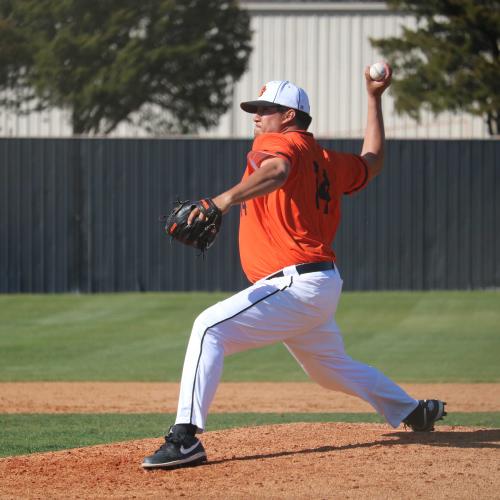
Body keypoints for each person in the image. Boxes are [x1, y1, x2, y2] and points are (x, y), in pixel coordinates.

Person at [142, 67, 446, 470]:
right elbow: (372, 162)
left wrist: (222, 201)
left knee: (208, 328)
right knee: (328, 369)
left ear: (289, 116)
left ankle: (185, 439)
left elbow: (278, 170)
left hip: (295, 281)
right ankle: (412, 411)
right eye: (255, 109)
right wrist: (374, 99)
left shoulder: (279, 143)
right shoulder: (326, 159)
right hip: (318, 284)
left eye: (265, 108)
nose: (256, 116)